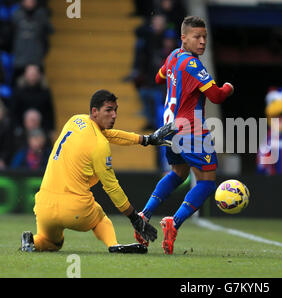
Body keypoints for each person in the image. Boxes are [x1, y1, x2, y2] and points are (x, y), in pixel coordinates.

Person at [20, 89, 175, 253]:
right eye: (109, 110)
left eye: (115, 110)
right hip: (75, 210)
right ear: (95, 111)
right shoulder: (100, 145)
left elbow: (110, 134)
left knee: (52, 243)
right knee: (100, 217)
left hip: (44, 206)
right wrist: (134, 218)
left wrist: (145, 139)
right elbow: (112, 188)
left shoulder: (75, 120)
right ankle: (113, 245)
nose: (114, 115)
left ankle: (31, 242)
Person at [135, 16, 235, 254]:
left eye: (204, 37)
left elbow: (159, 77)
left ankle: (144, 215)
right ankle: (174, 222)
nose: (202, 42)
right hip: (190, 129)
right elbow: (217, 96)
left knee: (179, 174)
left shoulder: (172, 57)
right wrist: (230, 87)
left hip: (169, 129)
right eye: (196, 37)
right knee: (208, 182)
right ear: (184, 38)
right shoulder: (193, 65)